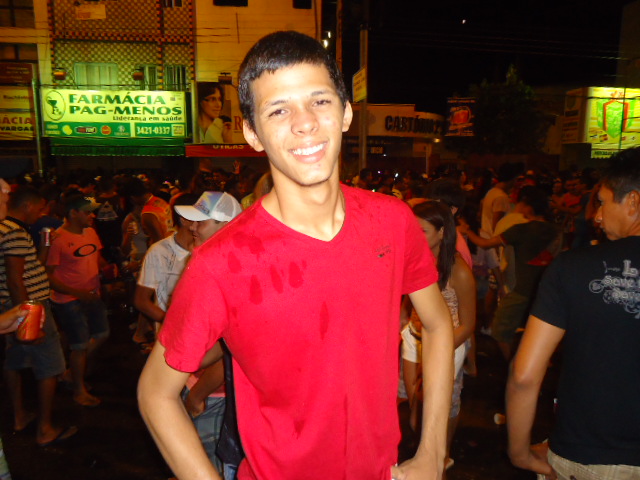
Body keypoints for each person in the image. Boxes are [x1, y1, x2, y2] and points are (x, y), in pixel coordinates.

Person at [138, 30, 454, 480]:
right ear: (252, 134)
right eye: (279, 109)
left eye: (319, 101)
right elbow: (156, 391)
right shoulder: (219, 263)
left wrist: (432, 452)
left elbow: (438, 324)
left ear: (346, 113)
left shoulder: (392, 221)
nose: (305, 123)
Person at [506, 146, 640, 480]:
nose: (596, 216)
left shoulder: (573, 268)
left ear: (633, 202)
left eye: (603, 202)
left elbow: (524, 376)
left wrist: (519, 452)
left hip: (588, 458)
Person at [402, 201, 476, 474]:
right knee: (414, 409)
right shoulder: (414, 259)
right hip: (414, 338)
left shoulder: (458, 270)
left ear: (442, 231)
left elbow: (468, 324)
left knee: (439, 408)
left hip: (449, 344)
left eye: (422, 231)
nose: (414, 236)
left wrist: (438, 353)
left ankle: (440, 459)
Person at [0, 186, 76, 446]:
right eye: (40, 208)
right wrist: (28, 319)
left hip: (11, 305)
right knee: (50, 364)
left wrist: (45, 243)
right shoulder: (14, 232)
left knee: (14, 360)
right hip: (29, 306)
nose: (42, 214)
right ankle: (45, 429)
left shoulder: (7, 229)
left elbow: (34, 266)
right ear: (27, 206)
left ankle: (19, 415)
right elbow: (15, 279)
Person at [459, 186, 558, 361]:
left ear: (527, 206)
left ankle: (515, 365)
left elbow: (485, 243)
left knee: (500, 329)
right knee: (537, 330)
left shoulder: (520, 230)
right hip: (549, 290)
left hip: (522, 289)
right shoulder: (555, 230)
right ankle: (539, 362)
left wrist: (467, 231)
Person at [46, 194, 111, 407]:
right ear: (73, 213)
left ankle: (70, 374)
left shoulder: (90, 231)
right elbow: (49, 276)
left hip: (92, 294)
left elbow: (96, 257)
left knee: (101, 334)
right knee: (79, 345)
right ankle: (78, 390)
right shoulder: (58, 239)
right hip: (68, 300)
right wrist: (78, 292)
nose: (92, 216)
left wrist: (108, 268)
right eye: (87, 212)